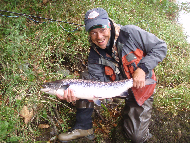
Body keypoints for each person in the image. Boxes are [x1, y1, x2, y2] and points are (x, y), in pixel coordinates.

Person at [56, 8, 167, 143]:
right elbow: (96, 84)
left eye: (102, 30)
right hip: (114, 91)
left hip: (142, 86)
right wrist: (75, 95)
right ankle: (83, 127)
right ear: (89, 35)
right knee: (84, 79)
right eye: (93, 33)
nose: (99, 37)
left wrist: (142, 69)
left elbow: (160, 47)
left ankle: (137, 116)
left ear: (109, 25)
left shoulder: (130, 33)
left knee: (136, 138)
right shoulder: (94, 55)